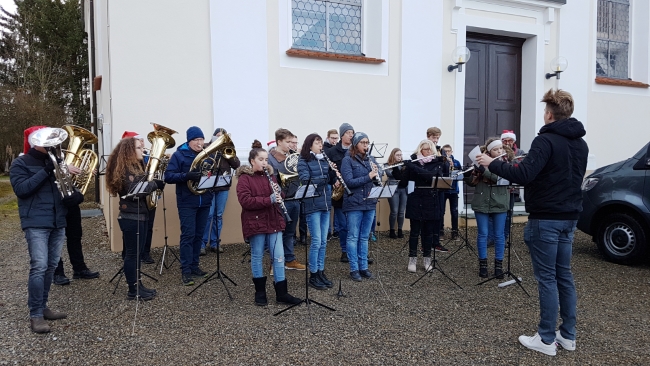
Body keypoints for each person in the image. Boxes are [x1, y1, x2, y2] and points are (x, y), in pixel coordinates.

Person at [476, 89, 588, 356]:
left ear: (549, 114)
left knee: (548, 278)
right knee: (564, 275)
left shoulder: (545, 140)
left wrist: (491, 163)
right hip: (569, 216)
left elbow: (525, 175)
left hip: (547, 218)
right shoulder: (581, 144)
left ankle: (546, 339)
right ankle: (568, 335)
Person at [10, 126, 84, 333]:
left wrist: (77, 196)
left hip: (58, 220)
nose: (55, 145)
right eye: (48, 141)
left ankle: (43, 307)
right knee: (39, 266)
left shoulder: (57, 162)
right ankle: (35, 315)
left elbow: (69, 188)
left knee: (51, 266)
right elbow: (22, 190)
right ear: (36, 143)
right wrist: (48, 170)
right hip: (35, 222)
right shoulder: (21, 163)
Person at [236, 140, 301, 306]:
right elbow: (246, 201)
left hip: (274, 220)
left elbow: (278, 197)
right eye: (261, 160)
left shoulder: (271, 176)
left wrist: (280, 193)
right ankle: (260, 292)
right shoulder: (245, 178)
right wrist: (269, 199)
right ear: (252, 161)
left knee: (279, 257)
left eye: (266, 159)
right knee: (257, 256)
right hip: (256, 222)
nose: (265, 163)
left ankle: (282, 293)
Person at [106, 137, 161, 302]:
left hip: (140, 213)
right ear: (130, 151)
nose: (142, 150)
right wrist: (154, 184)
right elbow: (134, 191)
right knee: (132, 254)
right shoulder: (124, 170)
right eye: (138, 148)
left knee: (137, 254)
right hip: (131, 216)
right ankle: (133, 290)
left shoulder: (135, 167)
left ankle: (139, 285)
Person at [164, 126, 213, 286]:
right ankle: (185, 270)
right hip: (187, 201)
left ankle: (194, 266)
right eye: (196, 140)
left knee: (199, 235)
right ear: (189, 141)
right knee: (188, 235)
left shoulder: (206, 155)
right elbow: (169, 177)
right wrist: (187, 176)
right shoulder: (179, 155)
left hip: (204, 200)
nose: (200, 143)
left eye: (201, 140)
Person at [394, 140, 448, 273]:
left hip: (431, 198)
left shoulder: (438, 163)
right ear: (420, 151)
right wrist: (400, 168)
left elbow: (430, 177)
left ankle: (427, 259)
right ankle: (412, 259)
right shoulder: (414, 163)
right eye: (425, 150)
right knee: (414, 232)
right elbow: (404, 182)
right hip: (416, 198)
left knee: (428, 232)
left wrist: (412, 167)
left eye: (430, 149)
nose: (428, 152)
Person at [297, 133, 338, 290]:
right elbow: (307, 180)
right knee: (316, 241)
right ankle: (313, 274)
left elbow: (330, 180)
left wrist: (334, 175)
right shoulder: (303, 161)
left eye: (321, 142)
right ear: (310, 145)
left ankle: (321, 271)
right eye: (317, 143)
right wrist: (326, 176)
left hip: (326, 204)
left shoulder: (324, 160)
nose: (321, 145)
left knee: (323, 241)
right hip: (312, 204)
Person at [340, 132, 380, 281]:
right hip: (354, 203)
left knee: (364, 237)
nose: (366, 145)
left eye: (367, 143)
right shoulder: (347, 160)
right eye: (363, 142)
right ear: (355, 144)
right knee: (352, 237)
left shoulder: (371, 159)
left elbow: (375, 177)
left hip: (369, 202)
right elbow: (349, 182)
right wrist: (368, 176)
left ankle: (363, 267)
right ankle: (354, 268)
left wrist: (377, 174)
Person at [468, 138, 509, 278]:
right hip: (481, 201)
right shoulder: (479, 161)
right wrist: (469, 174)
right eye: (496, 149)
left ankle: (499, 266)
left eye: (500, 148)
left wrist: (484, 170)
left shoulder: (505, 163)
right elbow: (472, 184)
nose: (499, 151)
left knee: (499, 235)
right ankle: (483, 265)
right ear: (489, 151)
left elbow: (500, 179)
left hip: (500, 201)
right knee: (483, 234)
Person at [52, 166, 100, 285]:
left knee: (75, 236)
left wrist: (85, 172)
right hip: (54, 204)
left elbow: (72, 180)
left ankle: (79, 269)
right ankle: (57, 272)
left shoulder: (62, 156)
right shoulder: (44, 157)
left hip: (71, 202)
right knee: (55, 239)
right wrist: (62, 169)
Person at [267, 128, 306, 270]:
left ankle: (289, 259)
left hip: (294, 198)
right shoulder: (270, 157)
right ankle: (275, 262)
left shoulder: (293, 155)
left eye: (292, 141)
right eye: (288, 142)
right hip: (280, 200)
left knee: (290, 232)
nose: (291, 144)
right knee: (277, 232)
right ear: (279, 142)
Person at [200, 127, 240, 255]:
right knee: (208, 215)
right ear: (213, 136)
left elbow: (236, 164)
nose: (220, 138)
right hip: (208, 186)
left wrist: (228, 152)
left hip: (223, 187)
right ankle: (202, 244)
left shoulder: (227, 149)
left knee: (218, 215)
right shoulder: (206, 147)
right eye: (218, 135)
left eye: (223, 136)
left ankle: (215, 243)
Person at [324, 123, 353, 263]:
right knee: (343, 224)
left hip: (354, 191)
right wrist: (334, 179)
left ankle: (357, 251)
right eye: (348, 132)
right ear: (342, 135)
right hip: (340, 192)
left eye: (352, 133)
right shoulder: (331, 152)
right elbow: (327, 170)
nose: (351, 135)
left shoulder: (355, 150)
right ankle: (345, 251)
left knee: (354, 224)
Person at [385, 148, 408, 239]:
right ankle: (392, 230)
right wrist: (396, 166)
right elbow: (390, 174)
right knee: (394, 211)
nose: (400, 157)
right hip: (393, 189)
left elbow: (406, 174)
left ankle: (400, 230)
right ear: (393, 155)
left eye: (400, 155)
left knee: (401, 211)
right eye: (398, 155)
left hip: (403, 189)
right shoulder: (387, 165)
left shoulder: (403, 165)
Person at [441, 144, 462, 240]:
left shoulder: (456, 162)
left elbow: (460, 175)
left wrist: (452, 166)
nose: (447, 153)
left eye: (449, 151)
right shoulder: (441, 162)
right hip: (443, 190)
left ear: (451, 152)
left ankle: (454, 232)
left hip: (454, 190)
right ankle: (440, 230)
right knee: (441, 211)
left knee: (454, 211)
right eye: (445, 151)